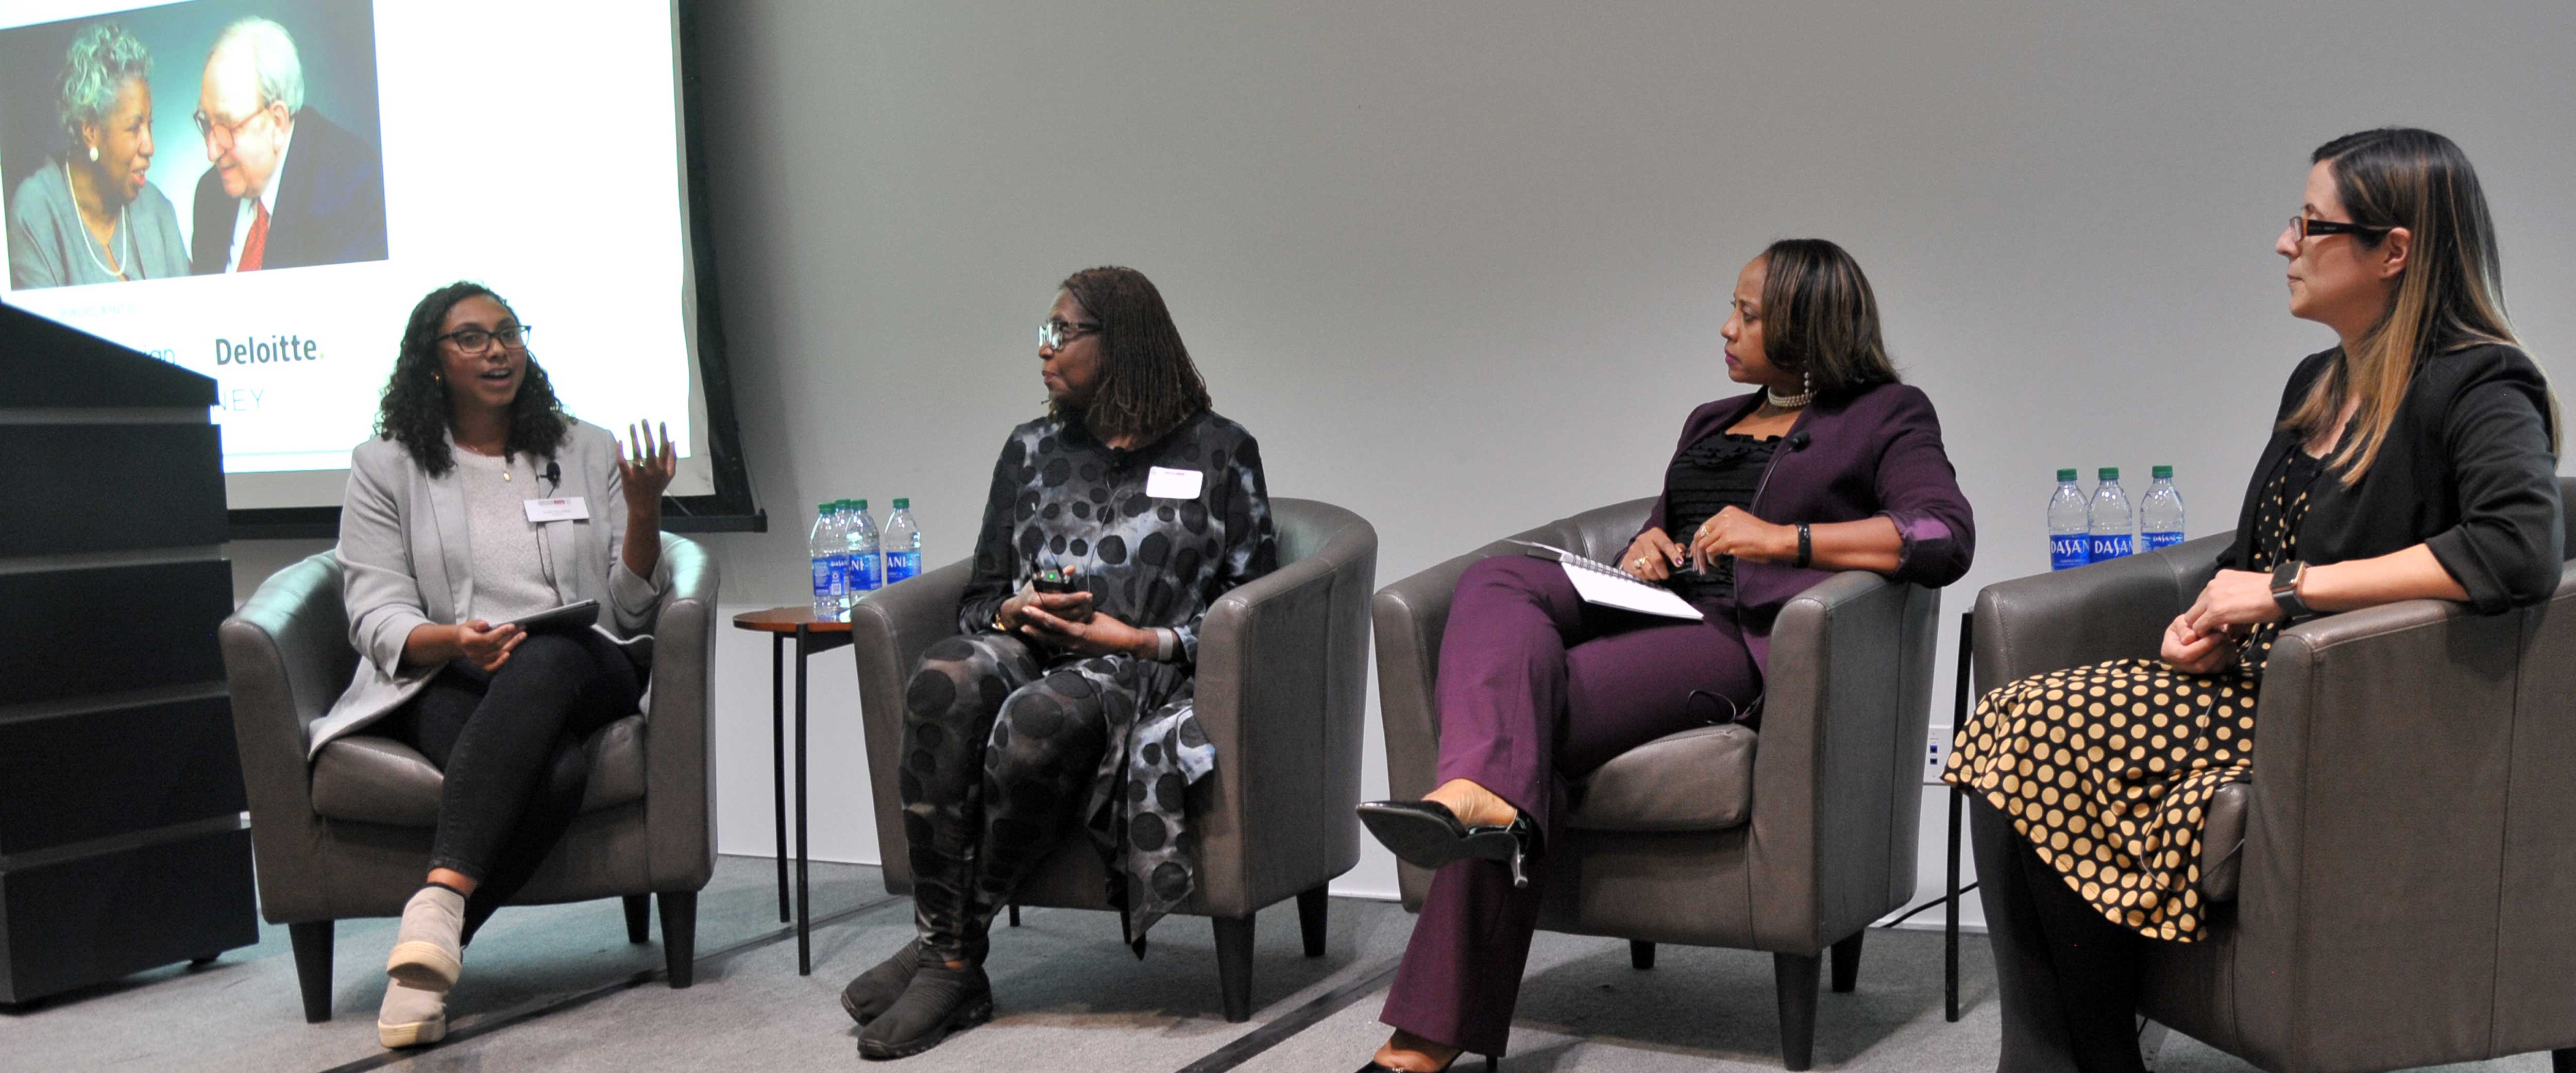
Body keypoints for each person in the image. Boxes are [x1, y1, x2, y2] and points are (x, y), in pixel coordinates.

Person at [1944, 127, 2563, 1073]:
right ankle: (2074, 1053)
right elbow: (2263, 548)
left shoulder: (2480, 383)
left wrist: (2283, 594)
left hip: (2364, 713)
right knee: (2013, 724)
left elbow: (2518, 548)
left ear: (2394, 251)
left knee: (2044, 738)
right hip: (2259, 689)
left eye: (2313, 225)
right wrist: (2215, 624)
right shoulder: (2319, 381)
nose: (2286, 243)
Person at [1352, 239, 1978, 1071]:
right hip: (1656, 602)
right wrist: (1649, 545)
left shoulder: (1887, 414)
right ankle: (1483, 795)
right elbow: (1671, 519)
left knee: (1516, 727)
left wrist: (1784, 540)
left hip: (1729, 639)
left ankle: (1422, 1038)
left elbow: (1942, 532)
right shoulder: (1711, 421)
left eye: (1748, 315)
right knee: (1497, 576)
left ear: (1805, 323)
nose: (1725, 328)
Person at [837, 265, 1277, 1060]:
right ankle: (950, 952)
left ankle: (947, 949)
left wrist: (1136, 639)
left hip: (1140, 668)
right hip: (1030, 643)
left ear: (1122, 341)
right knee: (944, 675)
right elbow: (979, 596)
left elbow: (1253, 610)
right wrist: (1013, 610)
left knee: (1040, 719)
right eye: (1043, 332)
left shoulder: (1221, 450)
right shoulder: (1032, 448)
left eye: (1061, 332)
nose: (1042, 349)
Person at [314, 281, 675, 1048]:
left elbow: (631, 608)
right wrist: (455, 641)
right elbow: (374, 611)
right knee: (557, 775)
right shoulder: (386, 466)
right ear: (434, 363)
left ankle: (439, 899)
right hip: (451, 668)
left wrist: (644, 511)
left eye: (508, 332)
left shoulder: (585, 448)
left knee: (546, 653)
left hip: (588, 662)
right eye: (472, 337)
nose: (498, 349)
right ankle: (428, 959)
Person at [187, 15, 387, 275]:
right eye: (206, 123)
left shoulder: (350, 184)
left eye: (227, 126)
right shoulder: (210, 194)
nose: (211, 151)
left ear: (278, 121)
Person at [6, 21, 189, 289]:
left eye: (149, 125)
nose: (150, 146)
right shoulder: (37, 211)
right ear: (91, 131)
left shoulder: (158, 210)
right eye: (133, 128)